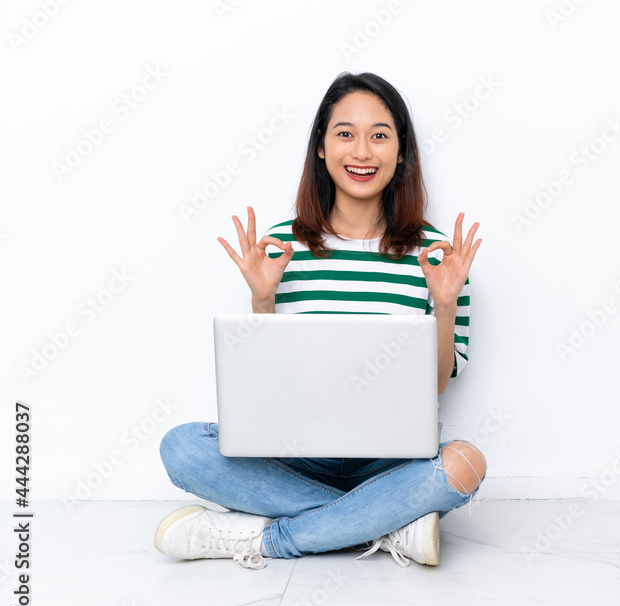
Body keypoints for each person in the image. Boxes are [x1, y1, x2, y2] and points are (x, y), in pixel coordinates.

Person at [153, 72, 486, 570]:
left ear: (401, 153)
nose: (362, 151)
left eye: (380, 135)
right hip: (296, 455)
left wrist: (443, 304)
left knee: (465, 464)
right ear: (322, 148)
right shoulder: (282, 244)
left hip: (389, 461)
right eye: (345, 133)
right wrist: (262, 299)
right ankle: (387, 522)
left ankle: (268, 539)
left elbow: (435, 385)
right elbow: (267, 383)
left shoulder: (437, 254)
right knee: (181, 449)